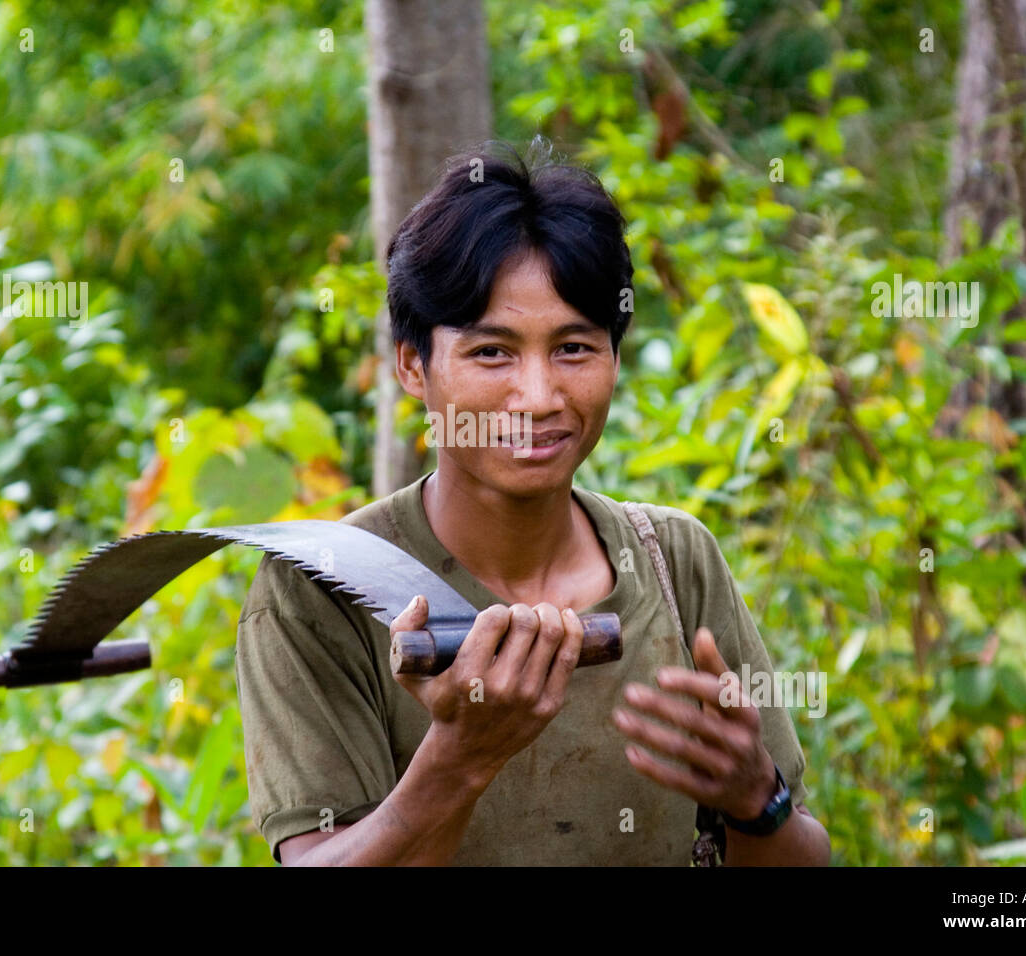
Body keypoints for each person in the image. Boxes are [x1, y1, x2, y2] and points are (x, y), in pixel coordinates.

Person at [235, 140, 831, 866]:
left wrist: (756, 802)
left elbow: (799, 854)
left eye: (575, 348)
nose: (540, 397)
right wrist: (458, 762)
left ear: (615, 356)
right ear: (412, 365)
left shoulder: (676, 562)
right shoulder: (320, 590)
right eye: (492, 353)